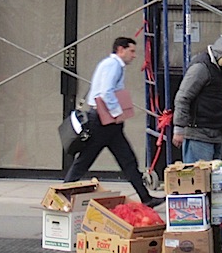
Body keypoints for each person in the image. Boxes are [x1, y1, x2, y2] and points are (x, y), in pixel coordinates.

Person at [63, 37, 161, 207]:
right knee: (87, 160)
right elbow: (106, 92)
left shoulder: (108, 64)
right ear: (120, 50)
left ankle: (146, 198)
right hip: (104, 121)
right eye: (131, 51)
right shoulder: (114, 65)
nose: (134, 55)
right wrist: (117, 113)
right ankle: (63, 193)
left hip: (104, 121)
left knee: (126, 159)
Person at [172, 35, 222, 165]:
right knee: (199, 178)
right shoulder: (201, 68)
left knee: (211, 178)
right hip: (198, 133)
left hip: (216, 132)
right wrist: (179, 128)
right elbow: (183, 97)